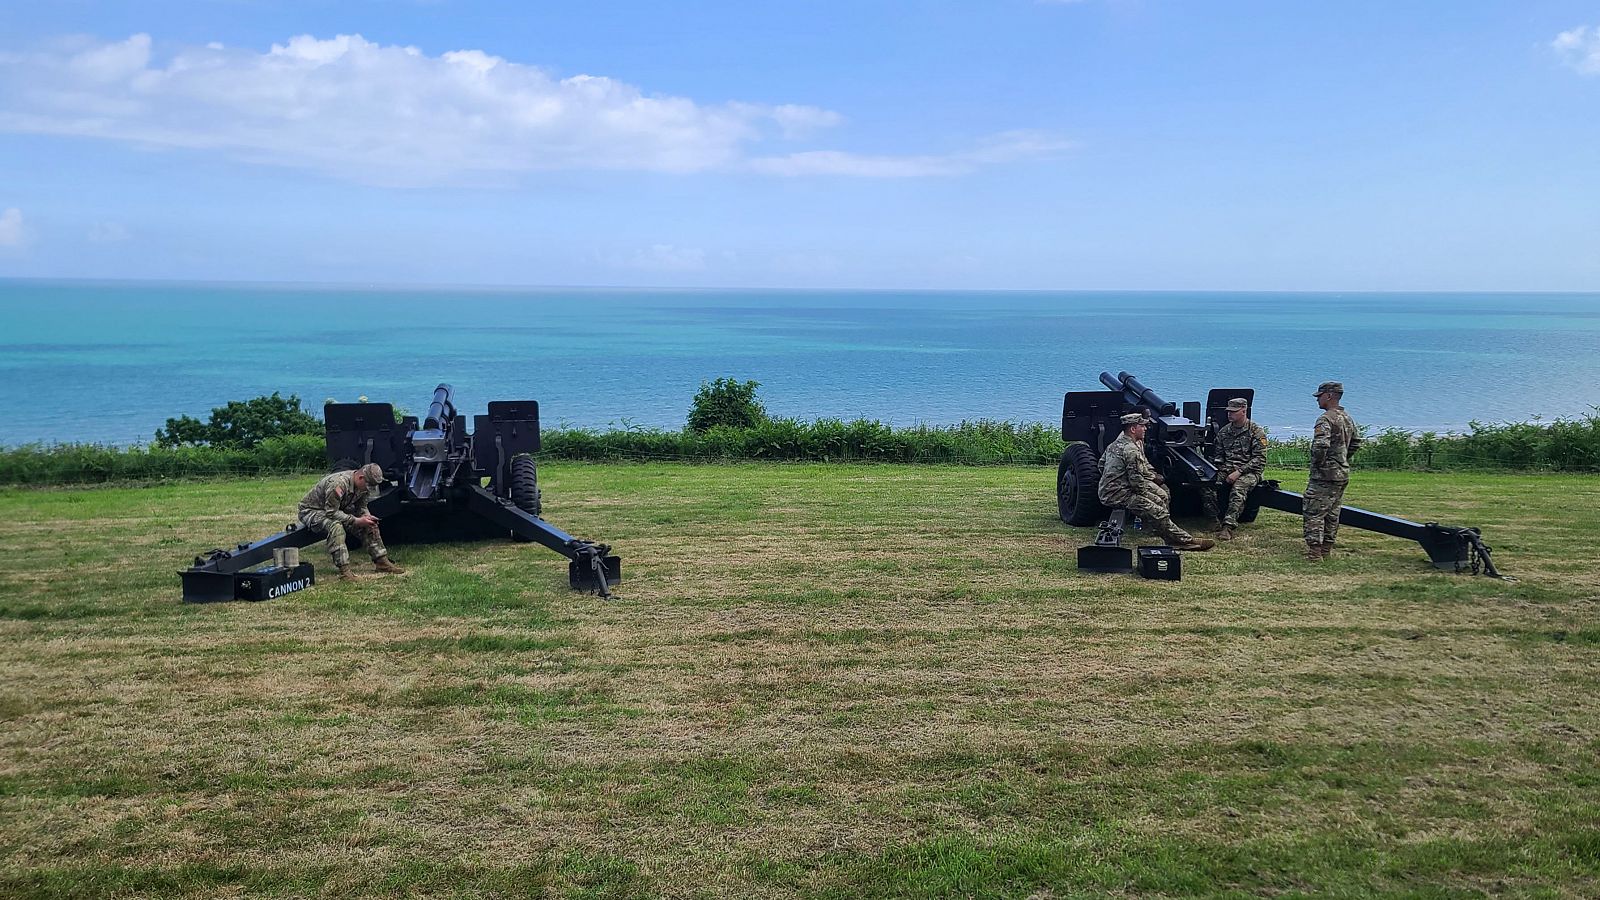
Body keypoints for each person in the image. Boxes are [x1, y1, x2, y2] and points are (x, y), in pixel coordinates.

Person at [1098, 412, 1215, 551]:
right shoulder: (1131, 450)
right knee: (1157, 510)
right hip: (1118, 494)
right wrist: (1146, 497)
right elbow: (1136, 481)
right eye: (1142, 426)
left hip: (1112, 490)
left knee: (1160, 500)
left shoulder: (1115, 444)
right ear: (1133, 429)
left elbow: (1101, 465)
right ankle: (1185, 541)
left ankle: (1167, 535)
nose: (1145, 429)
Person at [297, 462, 407, 580]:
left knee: (370, 524)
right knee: (335, 526)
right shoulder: (338, 484)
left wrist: (367, 517)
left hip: (338, 509)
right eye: (369, 485)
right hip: (313, 510)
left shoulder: (363, 486)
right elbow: (331, 513)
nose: (370, 489)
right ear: (361, 478)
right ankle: (345, 571)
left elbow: (362, 507)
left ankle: (382, 562)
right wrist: (356, 521)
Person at [1303, 381, 1363, 560]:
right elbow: (1356, 443)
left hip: (1325, 475)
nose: (1317, 400)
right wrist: (1341, 459)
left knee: (1314, 511)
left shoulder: (1326, 419)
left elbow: (1320, 445)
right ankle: (1326, 550)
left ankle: (1314, 552)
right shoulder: (1346, 417)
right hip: (1341, 473)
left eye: (1319, 396)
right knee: (1332, 513)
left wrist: (1319, 464)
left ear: (1329, 396)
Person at [1203, 397, 1268, 541]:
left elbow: (1259, 459)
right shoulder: (1224, 432)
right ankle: (1213, 519)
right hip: (1228, 468)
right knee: (1206, 484)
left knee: (1238, 489)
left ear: (1244, 411)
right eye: (1228, 411)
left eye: (1233, 411)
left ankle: (1228, 526)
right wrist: (1218, 470)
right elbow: (1218, 456)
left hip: (1250, 471)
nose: (1229, 414)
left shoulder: (1256, 432)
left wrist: (1239, 472)